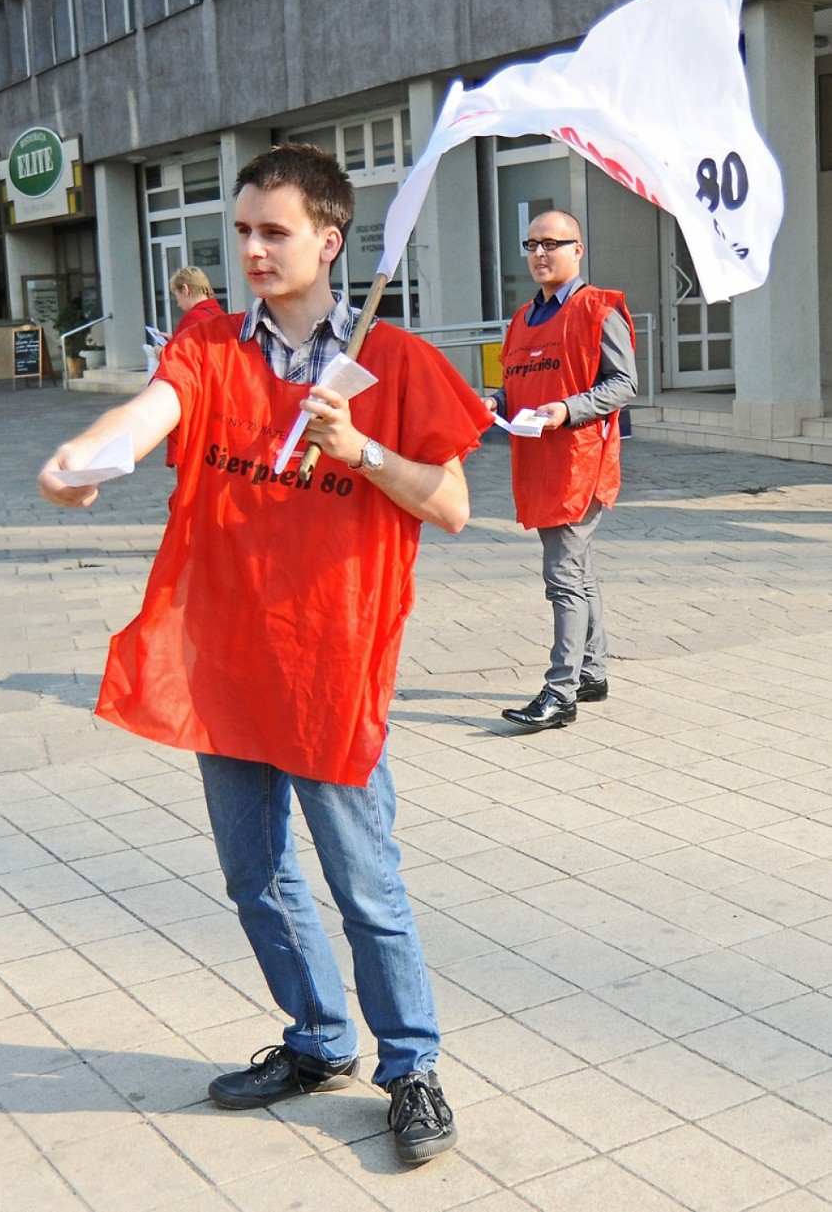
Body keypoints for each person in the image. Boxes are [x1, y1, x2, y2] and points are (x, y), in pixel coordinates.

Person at [38, 143, 492, 1165]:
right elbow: (150, 414)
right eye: (240, 231)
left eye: (272, 231)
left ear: (329, 240)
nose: (251, 248)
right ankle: (318, 1039)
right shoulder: (211, 345)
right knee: (258, 879)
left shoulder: (399, 364)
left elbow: (455, 505)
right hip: (226, 666)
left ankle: (411, 1067)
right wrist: (87, 459)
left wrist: (363, 452)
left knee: (365, 884)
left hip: (330, 670)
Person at [483, 209, 637, 731]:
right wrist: (495, 400)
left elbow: (624, 384)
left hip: (580, 462)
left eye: (551, 243)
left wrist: (567, 409)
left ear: (578, 249)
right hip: (537, 459)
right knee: (579, 571)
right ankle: (591, 673)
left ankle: (560, 691)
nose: (540, 253)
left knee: (563, 577)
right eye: (531, 244)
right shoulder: (523, 318)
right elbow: (518, 384)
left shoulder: (598, 309)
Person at [159, 266, 225, 467]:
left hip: (197, 403)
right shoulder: (219, 313)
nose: (177, 303)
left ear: (186, 289)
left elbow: (178, 362)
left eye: (176, 295)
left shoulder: (192, 319)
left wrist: (162, 351)